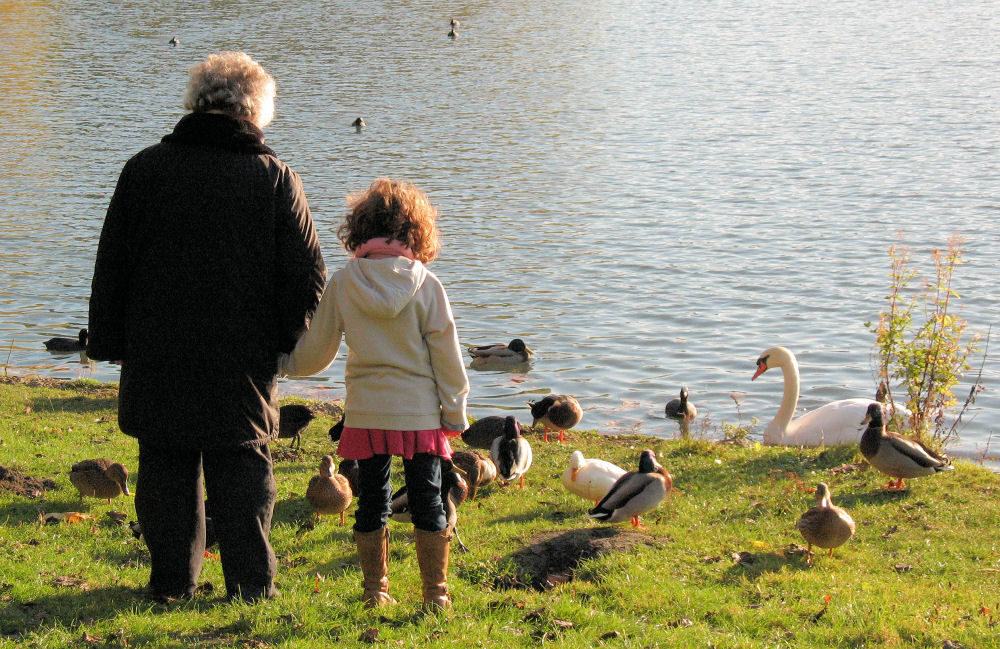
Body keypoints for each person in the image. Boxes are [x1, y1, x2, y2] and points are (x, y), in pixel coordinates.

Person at [87, 51, 327, 602]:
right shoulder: (273, 178)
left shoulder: (144, 168)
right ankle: (251, 584)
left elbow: (111, 264)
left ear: (196, 103)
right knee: (242, 464)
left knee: (165, 463)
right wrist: (288, 341)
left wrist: (110, 342)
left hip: (157, 344)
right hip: (240, 354)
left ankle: (172, 582)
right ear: (255, 109)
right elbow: (307, 275)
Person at [280, 177, 469, 610]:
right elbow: (448, 357)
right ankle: (435, 596)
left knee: (372, 501)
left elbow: (317, 351)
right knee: (428, 500)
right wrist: (455, 413)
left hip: (366, 413)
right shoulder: (427, 285)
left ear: (359, 230)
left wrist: (284, 365)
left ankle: (374, 593)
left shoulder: (345, 283)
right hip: (419, 415)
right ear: (416, 232)